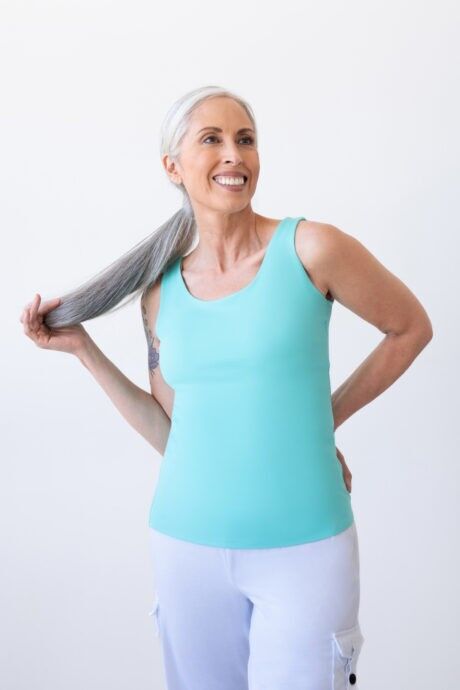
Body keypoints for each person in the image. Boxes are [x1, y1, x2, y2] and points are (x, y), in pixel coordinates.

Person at [20, 85, 433, 690]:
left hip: (306, 549)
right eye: (211, 139)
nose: (234, 155)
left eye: (245, 139)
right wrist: (83, 349)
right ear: (173, 166)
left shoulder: (312, 248)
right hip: (185, 547)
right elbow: (175, 434)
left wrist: (320, 423)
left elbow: (410, 328)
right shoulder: (160, 292)